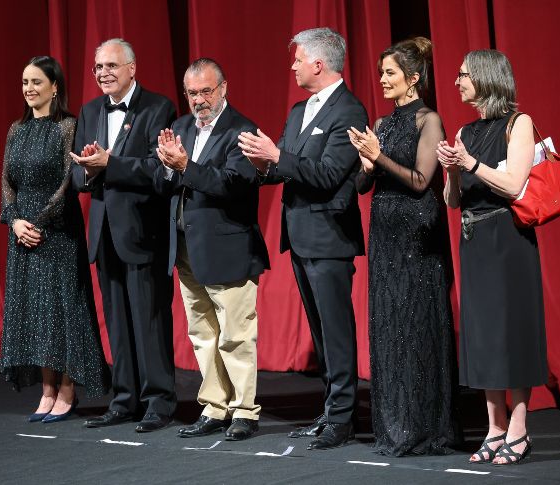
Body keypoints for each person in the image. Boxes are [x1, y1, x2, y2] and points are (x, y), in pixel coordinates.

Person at [238, 27, 368, 450]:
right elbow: (283, 165)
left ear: (318, 63)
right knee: (319, 330)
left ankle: (344, 417)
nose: (292, 66)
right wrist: (261, 162)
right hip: (300, 235)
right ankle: (330, 410)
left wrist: (277, 156)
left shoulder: (349, 111)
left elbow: (330, 174)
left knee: (335, 330)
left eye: (298, 59)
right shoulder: (298, 111)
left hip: (329, 237)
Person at [348, 37, 462, 456]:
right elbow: (363, 186)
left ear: (413, 78)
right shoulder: (381, 124)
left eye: (390, 73)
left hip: (417, 232)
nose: (382, 80)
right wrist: (365, 163)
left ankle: (426, 426)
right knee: (391, 323)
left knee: (417, 325)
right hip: (384, 233)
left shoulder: (428, 120)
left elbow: (419, 181)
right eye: (381, 73)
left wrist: (378, 158)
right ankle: (395, 425)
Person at [436, 49, 547, 465]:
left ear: (485, 78)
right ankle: (494, 427)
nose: (457, 82)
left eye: (463, 75)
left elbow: (515, 182)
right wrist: (451, 169)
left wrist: (471, 162)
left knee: (510, 334)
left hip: (508, 239)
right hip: (474, 240)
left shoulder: (519, 124)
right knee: (482, 336)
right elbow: (453, 200)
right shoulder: (465, 130)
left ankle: (519, 429)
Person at [153, 58, 270, 441]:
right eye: (192, 93)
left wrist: (185, 165)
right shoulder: (182, 127)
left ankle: (244, 411)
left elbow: (235, 183)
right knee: (202, 331)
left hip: (228, 247)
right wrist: (168, 167)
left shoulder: (242, 129)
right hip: (187, 246)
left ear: (223, 88)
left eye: (206, 91)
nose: (199, 100)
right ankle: (215, 405)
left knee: (235, 334)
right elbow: (166, 181)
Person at [69, 38, 177, 432]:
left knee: (149, 321)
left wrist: (109, 163)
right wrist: (87, 169)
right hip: (103, 233)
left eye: (111, 66)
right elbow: (78, 173)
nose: (103, 73)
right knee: (116, 321)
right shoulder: (90, 110)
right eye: (98, 67)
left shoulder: (159, 107)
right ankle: (124, 400)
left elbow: (159, 170)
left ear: (132, 68)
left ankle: (159, 402)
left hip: (141, 231)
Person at [0, 55, 111, 423]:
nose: (29, 89)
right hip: (22, 235)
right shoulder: (16, 129)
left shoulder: (67, 127)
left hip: (57, 232)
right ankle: (46, 391)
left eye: (36, 82)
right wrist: (15, 221)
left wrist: (39, 222)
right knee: (35, 314)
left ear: (54, 87)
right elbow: (6, 182)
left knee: (61, 312)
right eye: (24, 83)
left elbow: (69, 181)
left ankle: (66, 390)